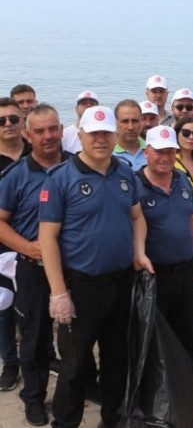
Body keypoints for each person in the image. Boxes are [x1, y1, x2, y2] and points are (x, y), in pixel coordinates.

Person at [39, 105, 152, 428]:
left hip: (121, 282)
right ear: (81, 135)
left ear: (115, 135)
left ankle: (112, 419)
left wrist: (139, 251)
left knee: (117, 358)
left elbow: (137, 217)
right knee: (75, 367)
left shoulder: (124, 173)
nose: (100, 139)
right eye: (94, 133)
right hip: (82, 286)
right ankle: (65, 423)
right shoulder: (61, 178)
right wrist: (58, 293)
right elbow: (47, 239)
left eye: (106, 133)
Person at [0, 104, 67, 425]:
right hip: (33, 270)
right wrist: (27, 246)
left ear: (62, 129)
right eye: (39, 131)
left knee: (77, 337)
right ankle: (34, 398)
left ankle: (79, 387)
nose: (48, 136)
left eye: (52, 128)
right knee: (35, 338)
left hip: (74, 269)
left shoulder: (76, 166)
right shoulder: (16, 176)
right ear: (27, 134)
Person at [135, 125, 193, 356]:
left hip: (186, 270)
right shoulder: (134, 185)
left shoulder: (182, 180)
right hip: (154, 275)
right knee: (155, 333)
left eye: (170, 151)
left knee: (188, 329)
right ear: (146, 152)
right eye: (159, 151)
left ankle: (187, 381)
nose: (165, 157)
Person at [0, 98, 29, 394]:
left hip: (37, 241)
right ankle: (10, 361)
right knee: (3, 306)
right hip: (1, 245)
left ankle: (46, 355)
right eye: (2, 121)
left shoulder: (38, 153)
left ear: (23, 120)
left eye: (13, 119)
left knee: (37, 304)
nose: (8, 124)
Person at [61, 90, 99, 154]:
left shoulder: (105, 134)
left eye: (92, 104)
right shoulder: (65, 134)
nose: (88, 105)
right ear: (76, 109)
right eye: (83, 103)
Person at [113, 99, 147, 170]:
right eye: (125, 121)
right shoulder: (107, 154)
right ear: (115, 123)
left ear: (141, 121)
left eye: (135, 121)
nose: (130, 127)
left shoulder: (151, 150)